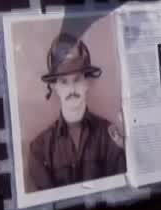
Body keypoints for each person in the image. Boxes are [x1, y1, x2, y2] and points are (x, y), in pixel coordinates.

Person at [26, 33, 126, 192]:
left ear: (87, 82)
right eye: (64, 81)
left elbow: (119, 193)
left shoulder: (110, 138)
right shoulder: (39, 149)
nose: (72, 89)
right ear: (54, 87)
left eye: (77, 79)